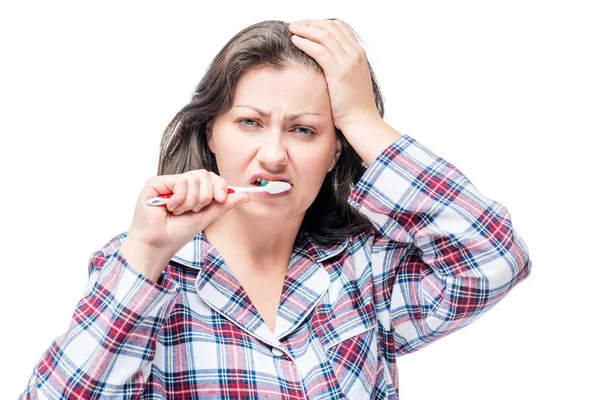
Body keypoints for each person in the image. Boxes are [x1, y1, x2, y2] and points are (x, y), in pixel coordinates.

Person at [20, 19, 532, 399]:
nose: (272, 154)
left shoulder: (364, 272)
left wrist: (362, 118)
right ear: (209, 134)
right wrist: (146, 254)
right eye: (248, 122)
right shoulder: (140, 272)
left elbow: (494, 258)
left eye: (304, 130)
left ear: (336, 152)